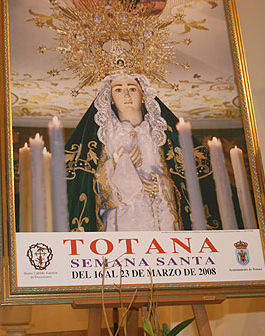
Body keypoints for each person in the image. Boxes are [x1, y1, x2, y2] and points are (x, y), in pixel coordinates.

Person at [65, 72, 222, 232]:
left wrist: (160, 185)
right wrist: (120, 167)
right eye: (118, 89)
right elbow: (88, 188)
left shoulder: (161, 134)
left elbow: (187, 182)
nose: (126, 95)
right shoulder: (105, 137)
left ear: (143, 94)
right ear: (110, 97)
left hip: (161, 218)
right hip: (121, 223)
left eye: (132, 88)